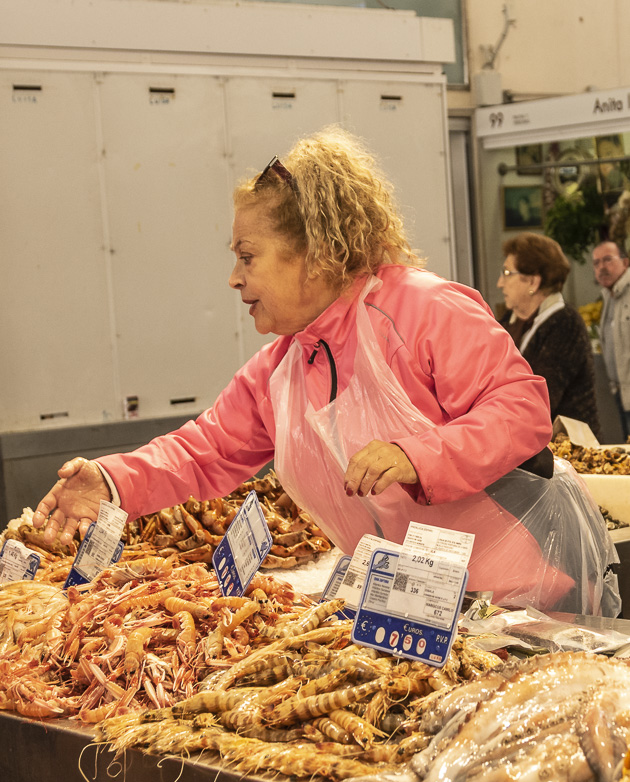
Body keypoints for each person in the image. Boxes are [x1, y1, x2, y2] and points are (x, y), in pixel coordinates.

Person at [33, 127, 618, 613]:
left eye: (246, 256)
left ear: (314, 250)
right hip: (420, 609)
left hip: (525, 597)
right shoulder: (281, 368)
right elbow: (201, 450)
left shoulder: (421, 309)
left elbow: (520, 411)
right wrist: (110, 482)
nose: (234, 280)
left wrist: (419, 455)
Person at [497, 232, 600, 437]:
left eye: (507, 273)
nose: (500, 283)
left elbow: (539, 398)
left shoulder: (565, 323)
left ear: (533, 282)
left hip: (569, 452)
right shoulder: (509, 321)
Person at [592, 240, 630, 440]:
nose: (601, 267)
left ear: (625, 262)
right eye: (596, 263)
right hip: (620, 392)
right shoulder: (609, 296)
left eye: (607, 260)